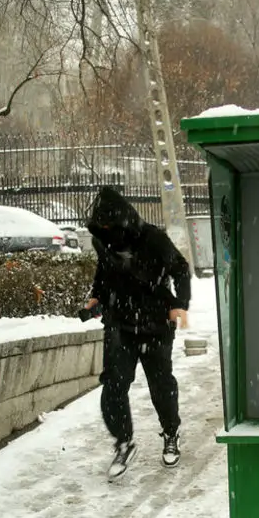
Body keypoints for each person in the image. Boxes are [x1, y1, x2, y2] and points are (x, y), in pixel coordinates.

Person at [83, 186, 191, 481]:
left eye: (109, 226)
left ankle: (170, 432)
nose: (105, 231)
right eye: (101, 226)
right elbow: (104, 273)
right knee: (114, 384)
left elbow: (180, 269)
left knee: (161, 384)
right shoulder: (102, 240)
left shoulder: (153, 238)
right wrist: (96, 297)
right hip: (119, 322)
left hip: (155, 321)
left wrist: (179, 305)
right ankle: (123, 442)